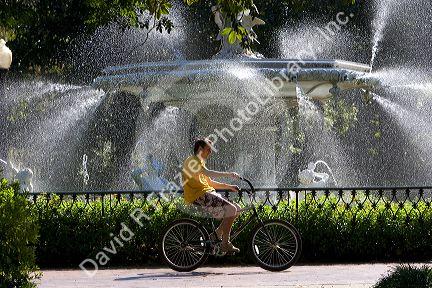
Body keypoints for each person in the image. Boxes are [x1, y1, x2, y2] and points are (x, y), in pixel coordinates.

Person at [182, 139, 241, 253]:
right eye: (208, 149)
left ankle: (217, 234)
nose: (210, 152)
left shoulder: (200, 162)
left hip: (207, 192)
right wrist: (229, 174)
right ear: (200, 149)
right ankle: (225, 243)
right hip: (198, 195)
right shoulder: (192, 161)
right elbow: (209, 173)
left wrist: (229, 186)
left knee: (237, 209)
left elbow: (210, 183)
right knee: (232, 209)